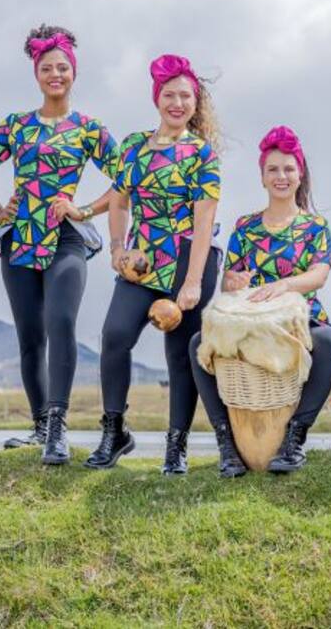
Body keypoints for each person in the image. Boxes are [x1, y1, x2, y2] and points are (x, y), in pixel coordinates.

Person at [0, 25, 117, 465]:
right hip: (19, 239)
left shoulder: (89, 128)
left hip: (66, 239)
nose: (55, 74)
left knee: (60, 323)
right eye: (46, 68)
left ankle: (58, 427)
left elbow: (131, 177)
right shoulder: (16, 125)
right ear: (36, 74)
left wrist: (86, 209)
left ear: (73, 73)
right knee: (30, 336)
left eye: (62, 67)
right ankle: (39, 427)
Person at [86, 55, 221, 474]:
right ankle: (115, 432)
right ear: (156, 99)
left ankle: (175, 446)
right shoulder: (133, 145)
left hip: (187, 259)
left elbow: (204, 223)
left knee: (179, 355)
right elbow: (119, 200)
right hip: (142, 262)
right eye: (169, 95)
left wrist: (194, 282)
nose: (177, 103)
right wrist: (115, 249)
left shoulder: (203, 155)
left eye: (186, 96)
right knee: (114, 336)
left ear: (195, 104)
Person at [190, 126, 331, 476]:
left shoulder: (315, 226)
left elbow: (319, 274)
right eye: (273, 169)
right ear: (262, 177)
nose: (281, 176)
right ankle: (226, 444)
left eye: (288, 169)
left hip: (301, 320)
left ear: (300, 175)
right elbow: (229, 280)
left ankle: (294, 438)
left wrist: (285, 286)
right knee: (198, 343)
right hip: (249, 323)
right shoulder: (246, 226)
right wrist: (233, 280)